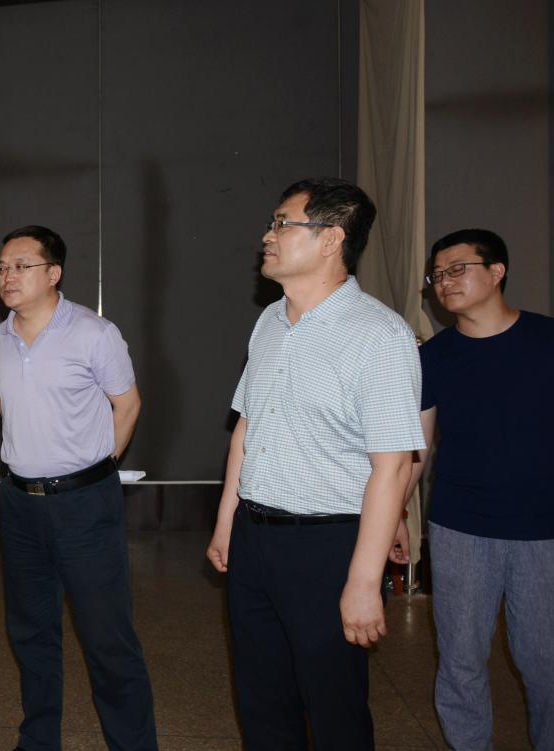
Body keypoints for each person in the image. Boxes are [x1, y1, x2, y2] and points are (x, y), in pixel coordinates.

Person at [205, 177, 425, 750]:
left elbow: (392, 467)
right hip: (255, 536)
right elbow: (246, 428)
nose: (267, 235)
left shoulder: (379, 335)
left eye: (282, 223)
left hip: (329, 546)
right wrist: (227, 520)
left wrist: (363, 582)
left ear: (331, 239)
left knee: (334, 711)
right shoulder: (270, 321)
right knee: (262, 702)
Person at [0, 225, 158, 751]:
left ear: (53, 273)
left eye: (21, 266)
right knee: (31, 632)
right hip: (20, 503)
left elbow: (127, 405)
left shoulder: (93, 333)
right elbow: (6, 411)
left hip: (85, 504)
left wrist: (96, 468)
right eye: (2, 268)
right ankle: (38, 741)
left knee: (107, 638)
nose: (8, 276)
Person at [395, 229, 554, 750]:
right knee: (461, 660)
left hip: (544, 530)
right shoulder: (434, 357)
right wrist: (397, 515)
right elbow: (416, 449)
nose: (444, 282)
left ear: (497, 271)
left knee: (545, 663)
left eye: (457, 269)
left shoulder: (546, 340)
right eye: (437, 275)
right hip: (460, 527)